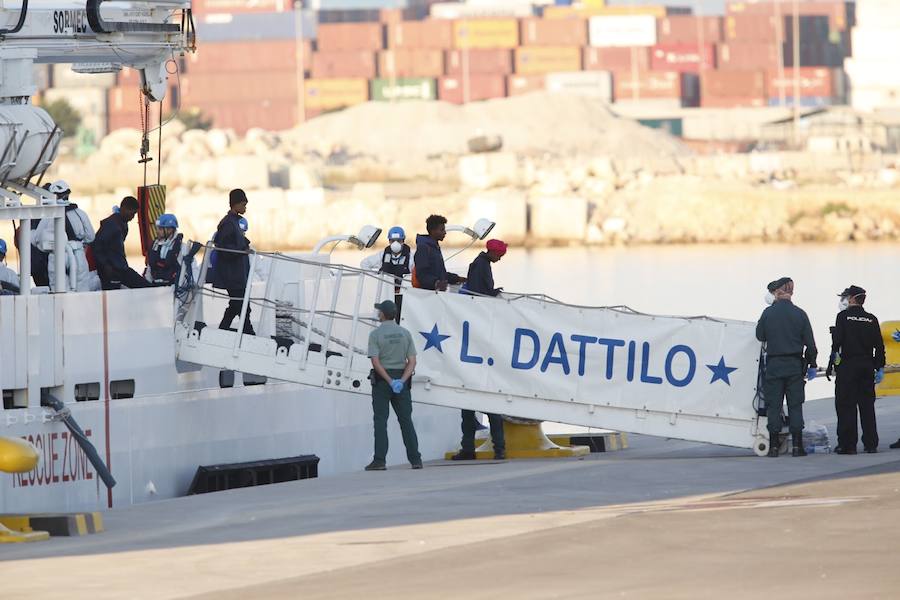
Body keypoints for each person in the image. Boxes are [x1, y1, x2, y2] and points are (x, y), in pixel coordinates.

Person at [451, 239, 509, 461]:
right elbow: (479, 291)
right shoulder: (481, 265)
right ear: (493, 252)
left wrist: (492, 291)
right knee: (490, 406)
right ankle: (499, 448)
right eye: (500, 254)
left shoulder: (481, 263)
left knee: (468, 407)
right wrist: (493, 294)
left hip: (471, 368)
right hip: (484, 367)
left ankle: (468, 449)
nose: (500, 258)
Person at [756, 277, 818, 457]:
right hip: (794, 366)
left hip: (775, 366)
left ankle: (774, 447)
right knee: (795, 405)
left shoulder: (768, 313)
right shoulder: (800, 314)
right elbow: (811, 346)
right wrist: (812, 364)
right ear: (791, 292)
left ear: (776, 292)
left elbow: (760, 335)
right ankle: (798, 447)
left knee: (773, 406)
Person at [826, 285, 884, 454]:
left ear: (851, 298)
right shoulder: (871, 319)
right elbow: (879, 346)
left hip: (848, 367)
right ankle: (871, 443)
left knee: (846, 406)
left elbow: (837, 343)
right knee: (867, 406)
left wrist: (833, 364)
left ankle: (848, 444)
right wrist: (879, 366)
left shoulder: (843, 317)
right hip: (866, 366)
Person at [365, 299, 422, 471]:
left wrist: (389, 381)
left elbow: (375, 362)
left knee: (381, 421)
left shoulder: (375, 335)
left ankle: (380, 460)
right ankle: (416, 460)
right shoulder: (405, 333)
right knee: (406, 421)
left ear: (382, 314)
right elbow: (412, 361)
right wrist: (401, 382)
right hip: (401, 381)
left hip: (383, 381)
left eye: (379, 311)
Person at [34, 180, 100, 292]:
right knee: (81, 290)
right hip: (78, 254)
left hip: (57, 255)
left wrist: (50, 246)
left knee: (59, 290)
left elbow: (37, 239)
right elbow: (91, 236)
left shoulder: (49, 215)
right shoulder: (80, 213)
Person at [212, 189, 254, 335]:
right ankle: (249, 335)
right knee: (242, 305)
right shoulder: (228, 223)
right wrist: (243, 249)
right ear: (235, 204)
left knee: (237, 305)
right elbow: (224, 249)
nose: (245, 207)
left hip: (238, 275)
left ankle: (223, 332)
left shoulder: (234, 222)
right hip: (232, 275)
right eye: (243, 204)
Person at [92, 196, 153, 290]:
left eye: (134, 214)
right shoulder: (111, 225)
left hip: (120, 267)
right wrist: (105, 265)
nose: (133, 217)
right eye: (132, 214)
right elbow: (97, 245)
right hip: (112, 270)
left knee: (144, 285)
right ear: (124, 208)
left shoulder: (122, 224)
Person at [361, 225, 411, 321]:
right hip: (385, 294)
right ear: (389, 241)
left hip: (402, 296)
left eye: (399, 241)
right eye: (392, 241)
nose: (395, 244)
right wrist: (377, 278)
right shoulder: (382, 255)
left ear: (403, 241)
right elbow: (364, 263)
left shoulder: (411, 257)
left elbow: (413, 274)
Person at [413, 214, 465, 291]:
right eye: (442, 230)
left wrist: (458, 278)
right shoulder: (423, 248)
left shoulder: (435, 247)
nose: (445, 232)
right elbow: (421, 274)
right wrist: (435, 283)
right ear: (433, 231)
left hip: (438, 294)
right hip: (428, 295)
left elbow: (441, 274)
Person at [145, 213, 184, 285]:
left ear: (169, 229)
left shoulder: (181, 248)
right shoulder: (155, 245)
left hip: (172, 288)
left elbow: (190, 269)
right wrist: (148, 285)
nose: (157, 231)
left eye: (160, 229)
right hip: (154, 287)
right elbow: (149, 269)